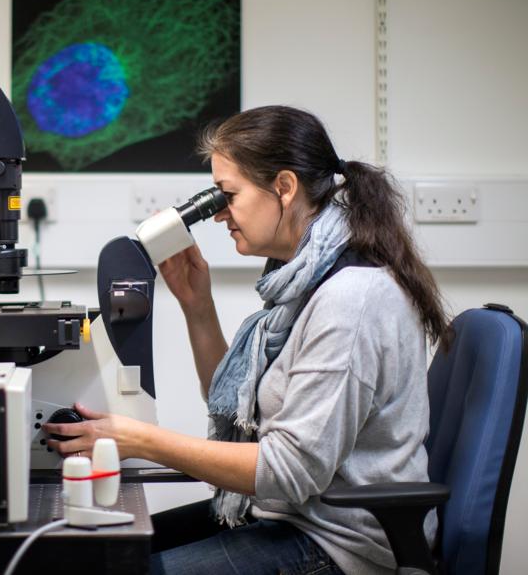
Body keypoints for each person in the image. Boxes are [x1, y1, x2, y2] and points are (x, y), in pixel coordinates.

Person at [42, 106, 450, 575]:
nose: (218, 216)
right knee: (107, 557)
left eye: (228, 195)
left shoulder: (350, 298)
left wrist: (139, 440)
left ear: (284, 186)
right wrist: (197, 305)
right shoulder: (301, 279)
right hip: (285, 517)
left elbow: (288, 471)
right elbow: (237, 402)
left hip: (340, 545)